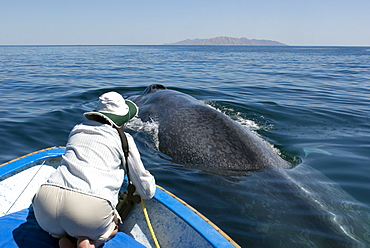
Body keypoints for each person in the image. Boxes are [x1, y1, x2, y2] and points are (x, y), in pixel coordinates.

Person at [32, 91, 156, 248]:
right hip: (87, 211)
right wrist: (148, 178)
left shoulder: (77, 129)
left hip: (45, 204)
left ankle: (61, 238)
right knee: (113, 227)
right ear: (121, 121)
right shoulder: (125, 139)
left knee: (60, 226)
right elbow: (146, 192)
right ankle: (91, 243)